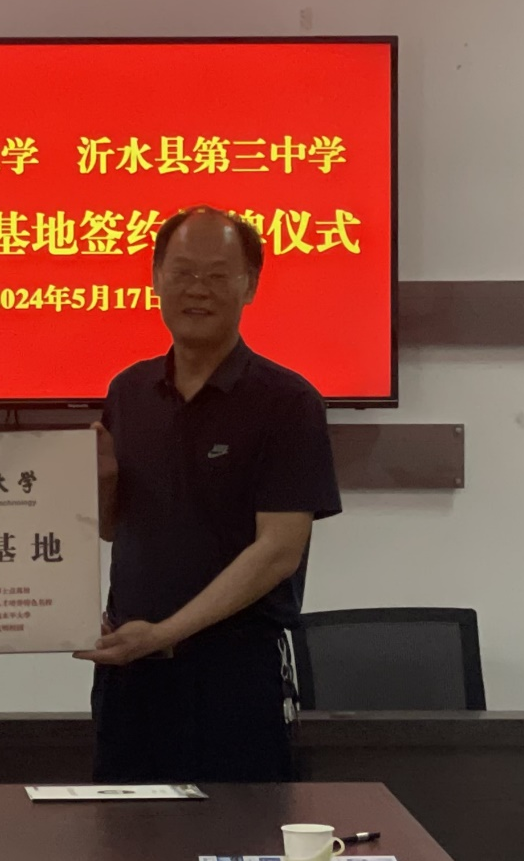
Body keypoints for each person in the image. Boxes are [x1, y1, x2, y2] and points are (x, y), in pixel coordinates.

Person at [75, 205, 341, 784]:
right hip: (130, 677)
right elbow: (113, 528)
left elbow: (278, 550)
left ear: (250, 285)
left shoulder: (287, 402)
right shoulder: (129, 391)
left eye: (218, 275)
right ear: (156, 279)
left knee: (238, 829)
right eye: (182, 273)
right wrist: (103, 483)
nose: (198, 289)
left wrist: (165, 634)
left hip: (233, 680)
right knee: (120, 829)